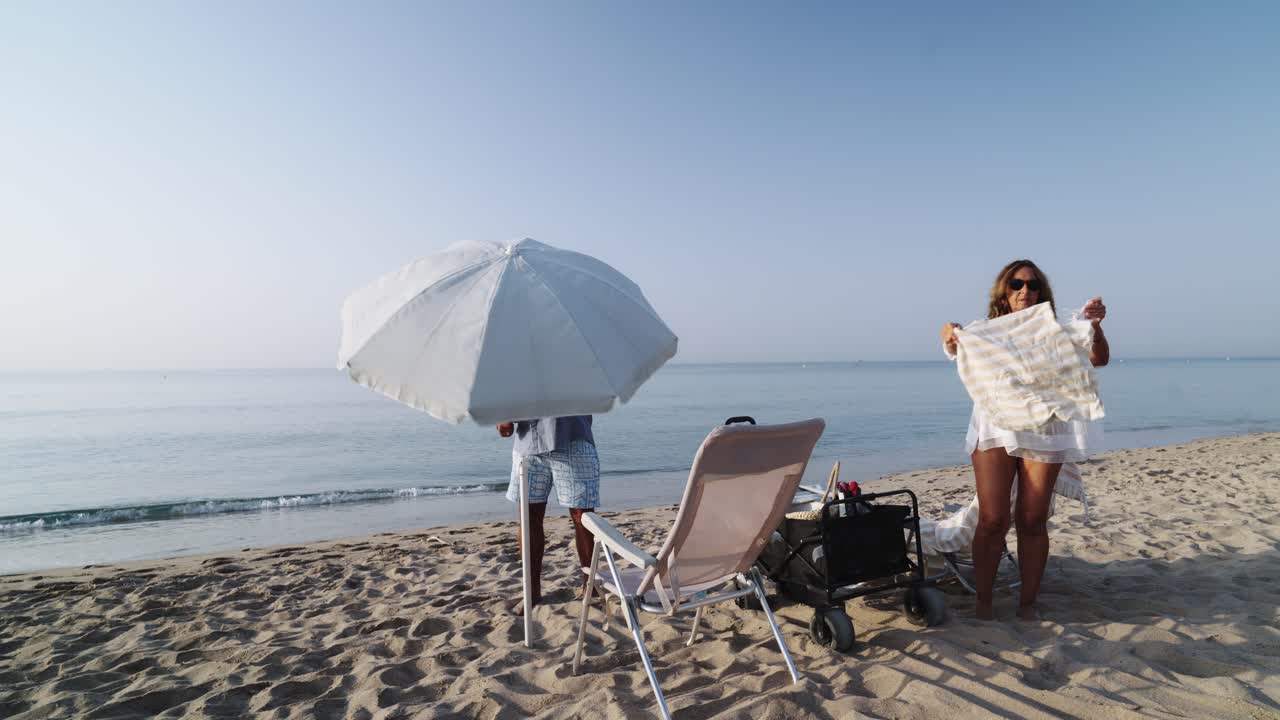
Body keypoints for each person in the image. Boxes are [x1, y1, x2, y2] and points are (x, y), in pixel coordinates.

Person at [940, 259, 1109, 621]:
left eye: (1033, 285)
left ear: (1042, 293)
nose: (1025, 291)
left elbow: (1098, 358)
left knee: (1032, 519)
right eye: (1016, 284)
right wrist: (950, 333)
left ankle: (1027, 605)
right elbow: (954, 344)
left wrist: (1094, 327)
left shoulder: (1056, 331)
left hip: (1045, 430)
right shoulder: (985, 332)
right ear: (1003, 292)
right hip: (996, 428)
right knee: (992, 519)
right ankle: (983, 604)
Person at [497, 415, 599, 613]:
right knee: (528, 518)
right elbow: (506, 402)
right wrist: (503, 417)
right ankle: (531, 591)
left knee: (583, 518)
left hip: (573, 438)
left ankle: (591, 587)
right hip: (528, 443)